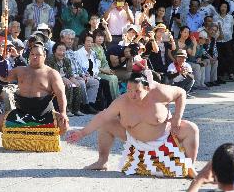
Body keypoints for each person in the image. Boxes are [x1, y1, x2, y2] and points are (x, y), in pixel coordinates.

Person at [67, 72, 199, 178]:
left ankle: (189, 166)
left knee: (191, 128)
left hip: (165, 137)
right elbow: (102, 117)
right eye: (129, 90)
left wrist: (177, 117)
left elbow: (181, 93)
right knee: (106, 123)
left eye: (137, 91)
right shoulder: (122, 101)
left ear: (147, 88)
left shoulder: (159, 93)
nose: (132, 95)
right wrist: (82, 133)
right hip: (135, 141)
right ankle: (102, 161)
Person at [0, 43, 69, 135]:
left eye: (38, 55)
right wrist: (5, 59)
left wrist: (63, 113)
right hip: (22, 112)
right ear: (29, 56)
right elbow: (3, 77)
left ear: (44, 56)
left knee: (64, 125)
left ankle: (29, 133)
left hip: (44, 112)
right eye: (32, 54)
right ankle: (24, 134)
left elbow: (61, 94)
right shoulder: (20, 70)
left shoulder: (52, 73)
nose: (35, 57)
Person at [46, 42, 84, 117]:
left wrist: (73, 79)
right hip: (52, 80)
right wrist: (63, 79)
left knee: (78, 85)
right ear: (54, 51)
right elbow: (53, 73)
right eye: (60, 50)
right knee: (68, 85)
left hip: (64, 79)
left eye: (64, 50)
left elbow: (70, 74)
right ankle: (66, 109)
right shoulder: (50, 59)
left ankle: (76, 109)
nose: (62, 53)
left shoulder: (66, 60)